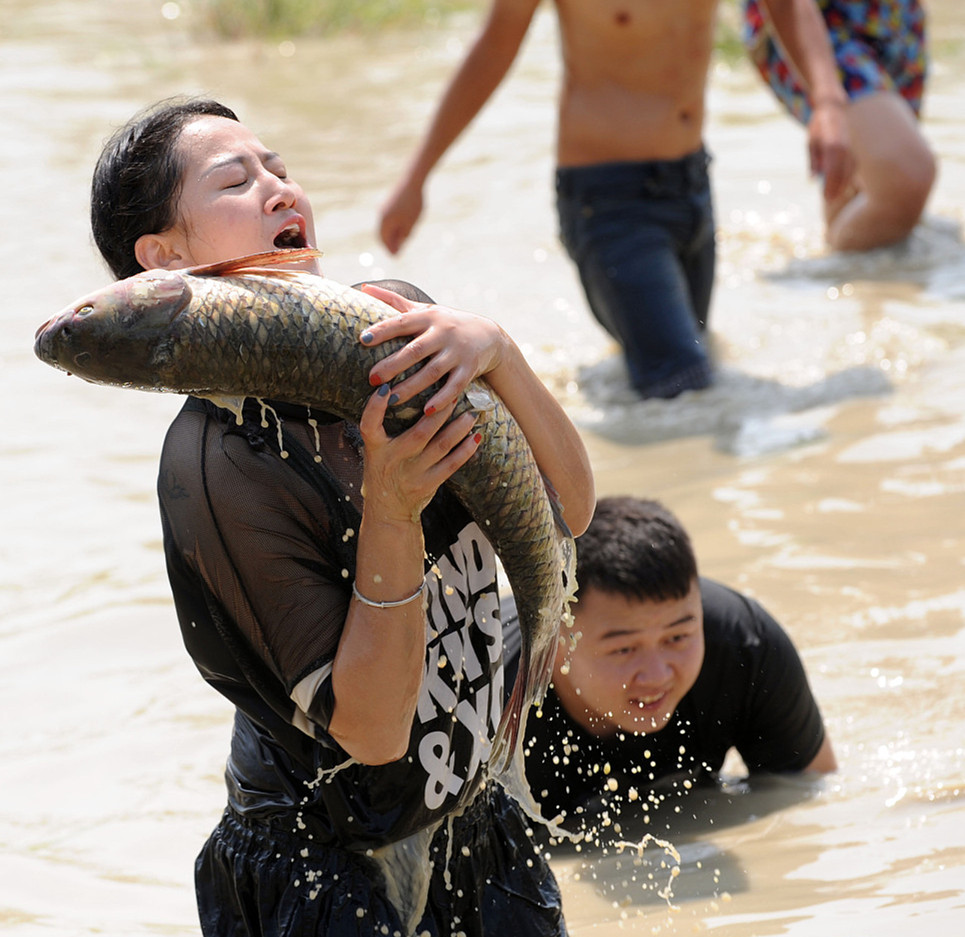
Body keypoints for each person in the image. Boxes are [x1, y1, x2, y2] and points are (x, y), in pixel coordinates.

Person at [89, 97, 595, 936]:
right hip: (321, 867)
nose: (278, 188)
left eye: (278, 168)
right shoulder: (219, 467)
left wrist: (498, 353)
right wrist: (392, 513)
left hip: (472, 819)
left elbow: (569, 507)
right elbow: (369, 726)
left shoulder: (397, 318)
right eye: (236, 181)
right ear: (163, 260)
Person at [378, 0, 853, 400]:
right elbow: (494, 48)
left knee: (691, 368)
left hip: (692, 184)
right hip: (608, 204)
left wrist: (829, 103)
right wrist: (417, 177)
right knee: (682, 390)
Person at [503, 496, 835, 841]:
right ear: (554, 636)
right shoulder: (486, 698)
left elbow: (810, 792)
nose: (658, 675)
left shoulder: (744, 646)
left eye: (677, 638)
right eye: (624, 648)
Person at [744, 0, 937, 251]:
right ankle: (831, 276)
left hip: (895, 17)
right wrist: (828, 100)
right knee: (904, 177)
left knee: (859, 192)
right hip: (815, 22)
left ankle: (851, 283)